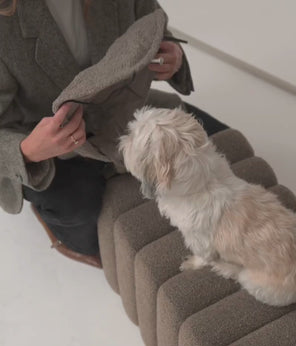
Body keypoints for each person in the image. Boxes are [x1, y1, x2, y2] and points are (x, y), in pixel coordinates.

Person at [0, 0, 228, 267]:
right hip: (48, 146)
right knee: (81, 216)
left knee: (222, 147)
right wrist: (27, 151)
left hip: (124, 109)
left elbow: (152, 27)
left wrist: (171, 56)